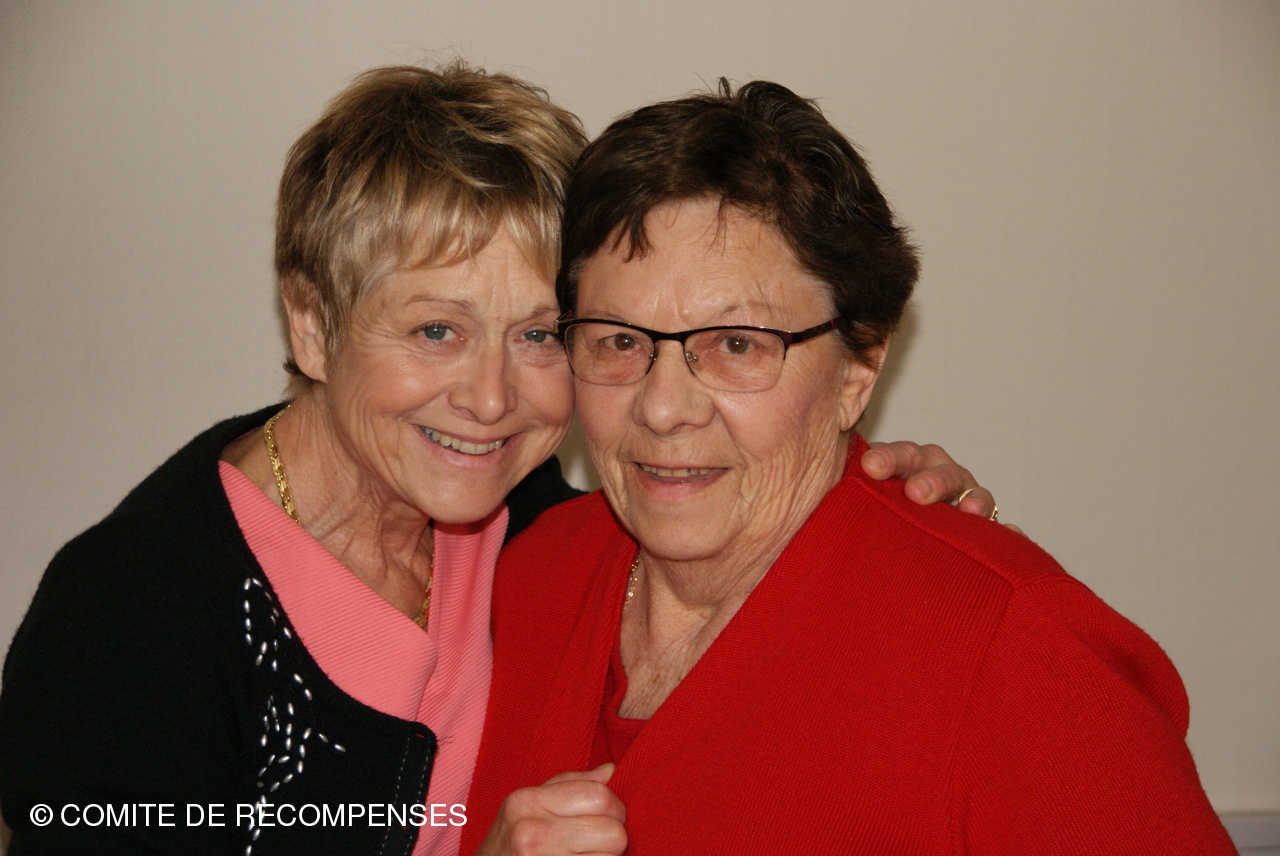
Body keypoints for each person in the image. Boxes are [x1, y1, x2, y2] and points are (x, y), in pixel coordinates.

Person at [0, 65, 990, 855]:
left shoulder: (541, 531)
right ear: (312, 325)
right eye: (436, 330)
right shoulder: (127, 617)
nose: (489, 398)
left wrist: (863, 487)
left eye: (540, 335)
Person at [464, 80, 1236, 855]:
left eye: (737, 344)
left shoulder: (1010, 649)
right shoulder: (530, 578)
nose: (663, 408)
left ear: (859, 368)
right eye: (619, 341)